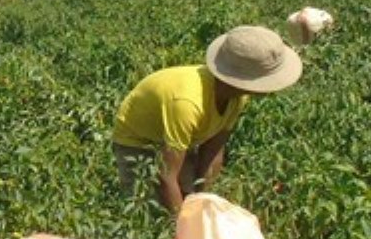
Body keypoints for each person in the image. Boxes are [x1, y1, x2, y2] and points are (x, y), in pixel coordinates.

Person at [112, 25, 302, 212]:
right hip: (138, 142)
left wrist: (205, 201)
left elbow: (214, 149)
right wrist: (183, 227)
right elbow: (166, 176)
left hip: (178, 139)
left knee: (191, 197)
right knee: (148, 207)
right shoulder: (187, 103)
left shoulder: (237, 95)